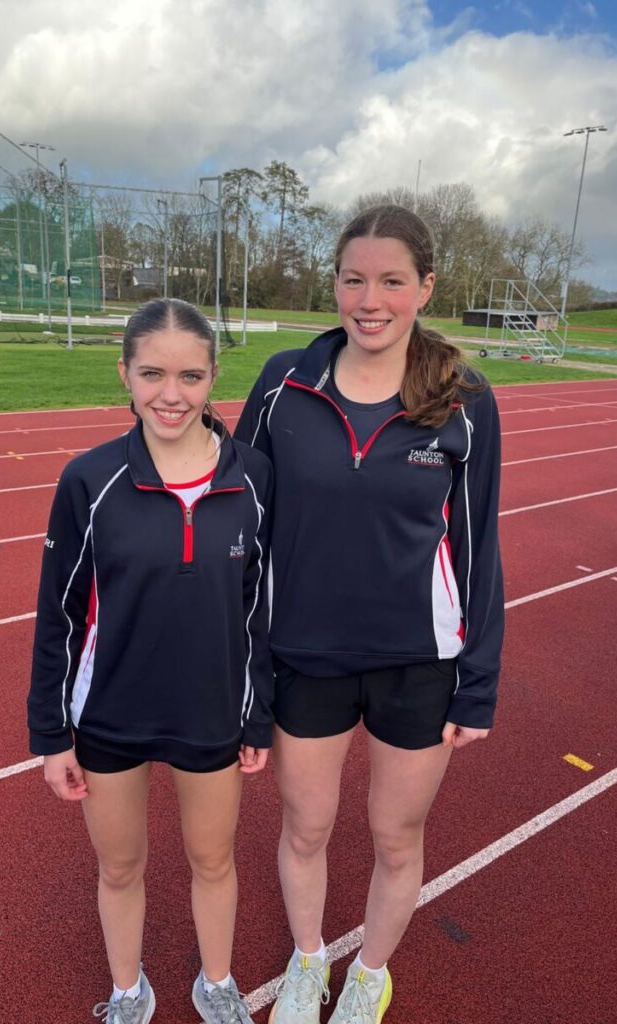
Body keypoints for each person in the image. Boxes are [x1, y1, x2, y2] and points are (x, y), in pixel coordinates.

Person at [235, 205, 504, 1024]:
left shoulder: (464, 400)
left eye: (391, 281)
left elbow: (477, 545)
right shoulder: (284, 383)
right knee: (305, 829)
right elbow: (240, 517)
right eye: (354, 280)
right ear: (336, 285)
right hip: (304, 655)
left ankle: (370, 975)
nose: (370, 299)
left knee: (395, 836)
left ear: (426, 287)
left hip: (417, 664)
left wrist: (477, 684)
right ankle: (309, 959)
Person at [27, 298, 273, 1024]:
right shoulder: (89, 479)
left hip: (211, 711)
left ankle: (215, 983)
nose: (172, 394)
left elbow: (261, 608)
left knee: (214, 860)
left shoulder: (255, 478)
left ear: (214, 376)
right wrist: (50, 734)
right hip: (111, 713)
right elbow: (58, 613)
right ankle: (128, 991)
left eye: (191, 376)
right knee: (120, 866)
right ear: (125, 375)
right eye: (152, 374)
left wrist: (257, 714)